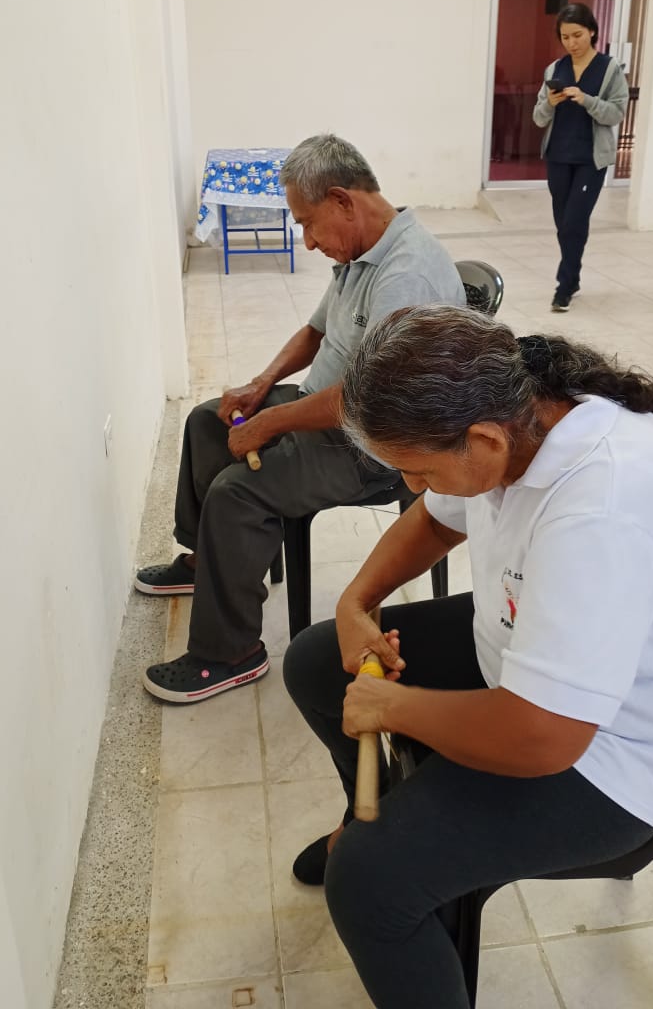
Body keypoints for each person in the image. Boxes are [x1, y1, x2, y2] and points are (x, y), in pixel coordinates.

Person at [283, 304, 653, 1009]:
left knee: (369, 882)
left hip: (610, 754)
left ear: (483, 440)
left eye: (418, 470)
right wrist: (355, 603)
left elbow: (543, 737)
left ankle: (383, 844)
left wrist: (395, 707)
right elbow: (435, 522)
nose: (412, 486)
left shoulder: (602, 507)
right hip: (525, 656)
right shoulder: (519, 413)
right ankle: (369, 808)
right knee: (316, 662)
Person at [135, 134, 465, 704]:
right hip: (329, 407)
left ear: (342, 200)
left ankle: (230, 654)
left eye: (308, 223)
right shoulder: (361, 251)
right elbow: (315, 331)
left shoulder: (407, 273)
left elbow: (368, 396)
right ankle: (206, 562)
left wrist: (273, 423)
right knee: (208, 422)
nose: (308, 241)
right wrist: (261, 387)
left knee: (239, 491)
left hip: (373, 445)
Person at [532, 2, 629, 312]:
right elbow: (538, 118)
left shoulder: (610, 69)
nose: (572, 43)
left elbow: (616, 113)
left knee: (575, 220)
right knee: (564, 224)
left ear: (592, 32)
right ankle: (572, 279)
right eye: (565, 37)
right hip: (558, 156)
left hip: (590, 160)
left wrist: (586, 99)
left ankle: (564, 286)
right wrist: (550, 102)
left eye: (577, 35)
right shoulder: (554, 69)